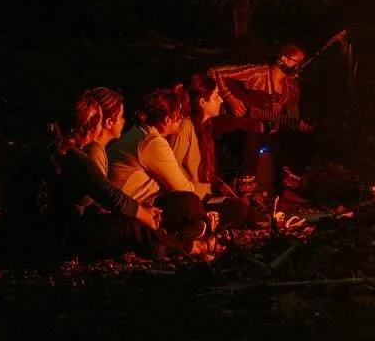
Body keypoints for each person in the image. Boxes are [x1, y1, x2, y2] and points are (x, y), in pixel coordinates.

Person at [0, 88, 165, 263]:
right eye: (99, 122)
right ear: (90, 125)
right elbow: (111, 196)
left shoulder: (44, 144)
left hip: (13, 240)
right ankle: (172, 248)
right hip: (45, 247)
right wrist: (145, 216)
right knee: (131, 227)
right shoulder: (72, 156)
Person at [104, 89, 212, 253]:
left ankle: (196, 229)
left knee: (193, 207)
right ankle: (189, 235)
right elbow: (183, 188)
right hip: (130, 212)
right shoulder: (151, 142)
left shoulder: (140, 132)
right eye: (178, 114)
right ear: (166, 120)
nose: (181, 118)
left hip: (134, 206)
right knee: (189, 202)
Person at [209, 43, 315, 192]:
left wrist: (290, 124)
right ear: (284, 59)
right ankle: (246, 192)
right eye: (298, 61)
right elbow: (215, 72)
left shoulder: (292, 87)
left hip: (268, 131)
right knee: (250, 138)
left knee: (298, 140)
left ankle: (286, 191)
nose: (300, 66)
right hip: (243, 129)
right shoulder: (257, 72)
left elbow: (292, 118)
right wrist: (231, 99)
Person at [170, 75, 252, 230]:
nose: (221, 100)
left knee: (243, 209)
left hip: (205, 197)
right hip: (192, 201)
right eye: (216, 96)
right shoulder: (185, 127)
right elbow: (172, 168)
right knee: (238, 211)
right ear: (203, 102)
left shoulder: (205, 127)